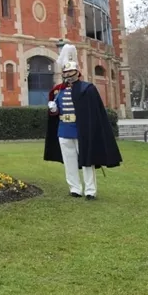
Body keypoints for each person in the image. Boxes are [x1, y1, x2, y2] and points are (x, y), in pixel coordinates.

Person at [45, 44, 122, 200]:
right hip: (64, 130)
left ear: (77, 72)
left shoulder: (87, 89)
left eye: (71, 72)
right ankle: (75, 188)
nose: (68, 75)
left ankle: (90, 190)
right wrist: (53, 109)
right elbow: (56, 113)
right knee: (69, 162)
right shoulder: (58, 91)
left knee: (87, 161)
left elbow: (93, 112)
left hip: (81, 130)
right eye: (66, 72)